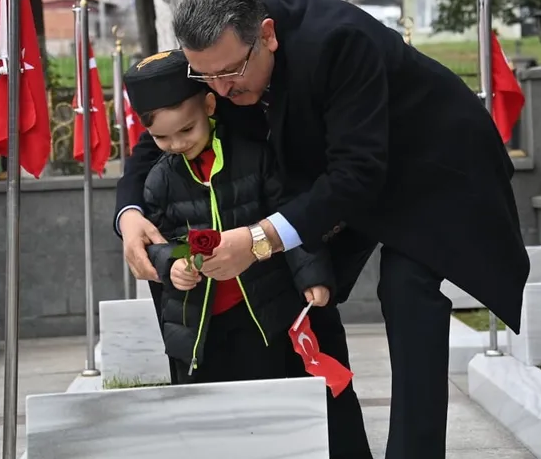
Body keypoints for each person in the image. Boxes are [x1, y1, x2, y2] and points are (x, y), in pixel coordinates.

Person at [115, 0, 529, 459]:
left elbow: (357, 173)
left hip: (429, 170)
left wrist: (258, 239)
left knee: (407, 292)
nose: (222, 91)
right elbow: (163, 131)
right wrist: (129, 214)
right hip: (343, 175)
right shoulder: (218, 56)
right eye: (207, 78)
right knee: (308, 287)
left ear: (267, 35)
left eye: (231, 73)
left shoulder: (339, 42)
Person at [121, 49, 372, 458]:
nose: (177, 144)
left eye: (185, 130)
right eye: (162, 138)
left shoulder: (253, 156)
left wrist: (312, 275)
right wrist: (172, 263)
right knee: (213, 420)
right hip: (199, 322)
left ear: (209, 105)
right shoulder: (160, 180)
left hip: (261, 313)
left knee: (273, 406)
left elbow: (286, 216)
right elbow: (163, 238)